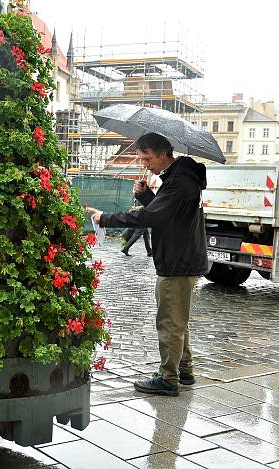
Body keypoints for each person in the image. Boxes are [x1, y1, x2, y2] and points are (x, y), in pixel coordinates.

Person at [85, 132, 208, 396]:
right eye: (141, 158)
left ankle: (168, 379)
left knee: (169, 322)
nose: (145, 164)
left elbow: (151, 217)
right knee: (177, 319)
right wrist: (146, 195)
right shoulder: (180, 178)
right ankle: (184, 371)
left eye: (147, 158)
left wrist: (104, 218)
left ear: (164, 154)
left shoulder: (180, 182)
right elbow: (166, 215)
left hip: (177, 261)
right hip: (180, 258)